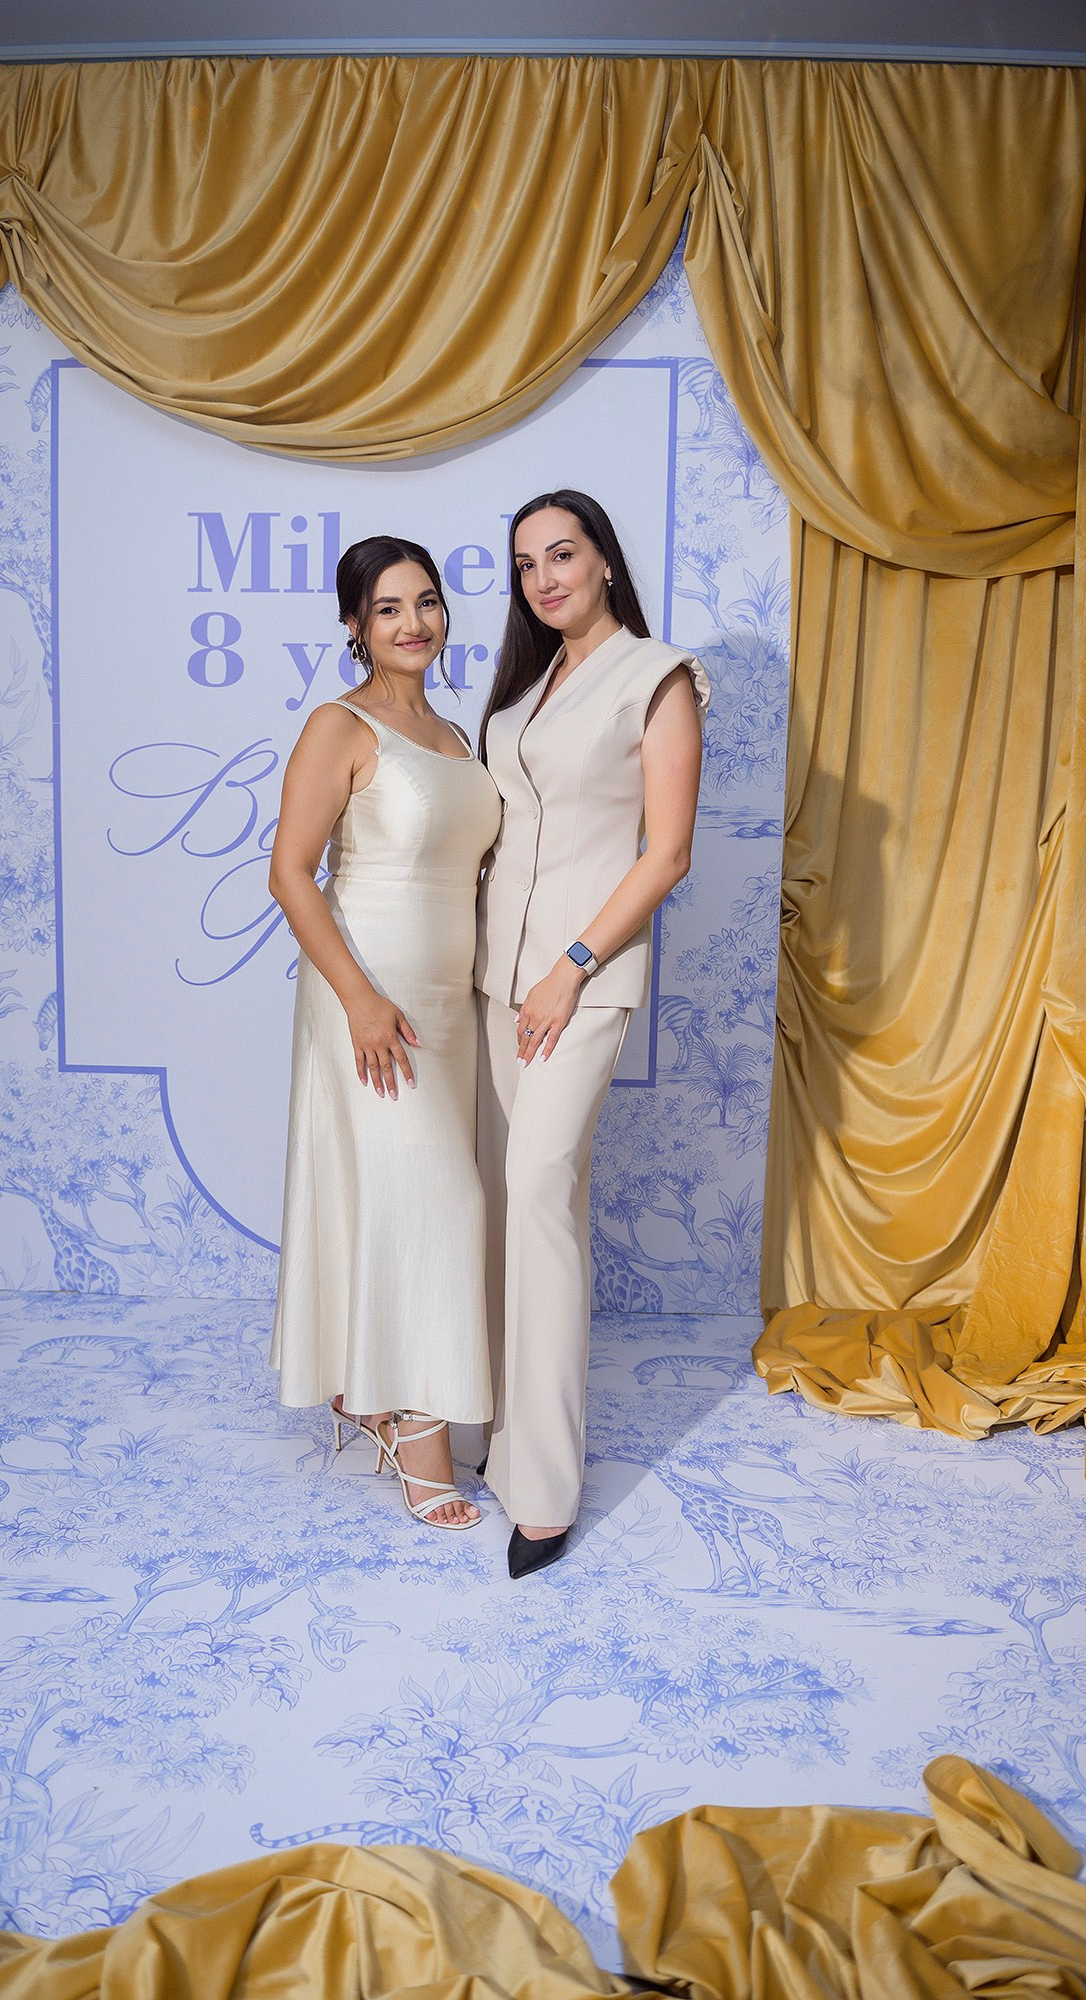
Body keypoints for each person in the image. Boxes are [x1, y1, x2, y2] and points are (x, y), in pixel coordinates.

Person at [475, 490, 709, 1576]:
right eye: (525, 564)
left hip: (580, 987)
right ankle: (501, 1437)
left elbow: (667, 851)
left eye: (561, 554)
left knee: (538, 1200)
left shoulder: (657, 678)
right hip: (492, 985)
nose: (544, 578)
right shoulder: (526, 690)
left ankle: (544, 1492)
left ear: (604, 560)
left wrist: (571, 967)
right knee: (511, 1207)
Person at [269, 536, 502, 1529]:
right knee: (439, 1201)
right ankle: (417, 1431)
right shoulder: (340, 724)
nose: (414, 623)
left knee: (413, 1201)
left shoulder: (453, 734)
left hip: (450, 1002)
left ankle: (368, 1393)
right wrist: (360, 999)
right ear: (355, 626)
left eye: (428, 602)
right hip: (370, 996)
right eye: (389, 608)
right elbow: (290, 872)